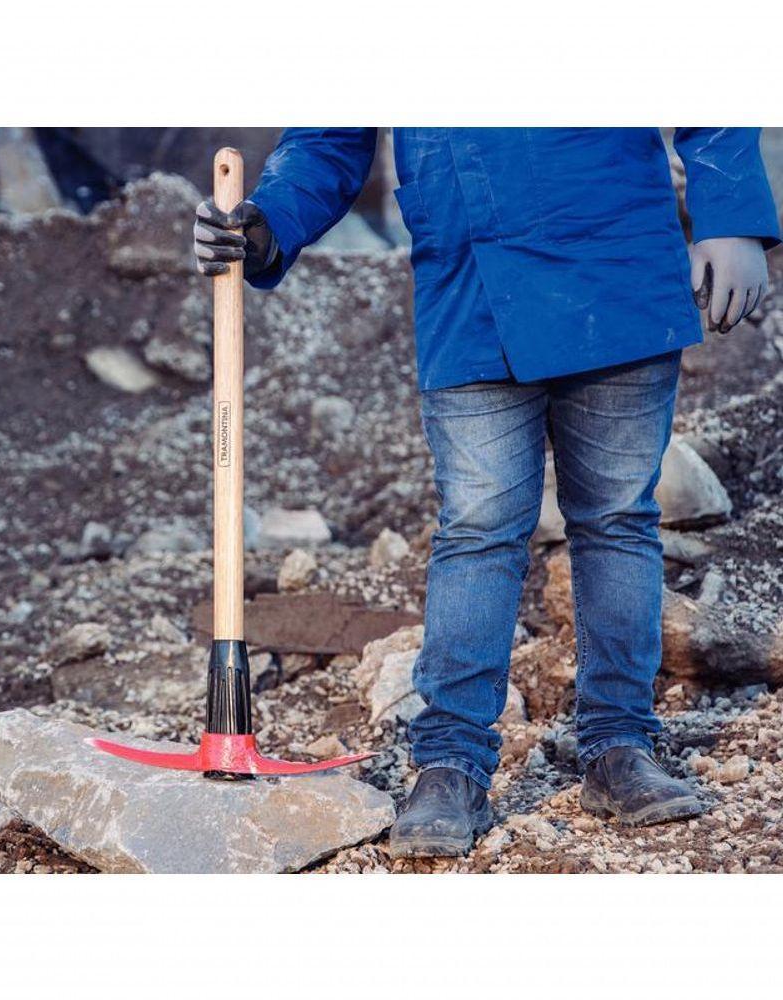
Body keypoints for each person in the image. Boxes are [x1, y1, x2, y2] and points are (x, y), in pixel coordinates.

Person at [192, 128, 779, 858]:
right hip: (471, 285)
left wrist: (732, 216)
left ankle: (620, 746)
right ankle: (449, 764)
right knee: (477, 528)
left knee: (619, 520)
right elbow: (330, 135)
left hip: (618, 260)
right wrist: (270, 221)